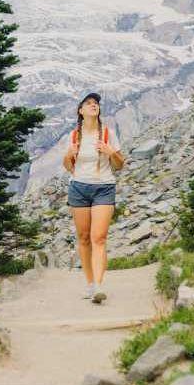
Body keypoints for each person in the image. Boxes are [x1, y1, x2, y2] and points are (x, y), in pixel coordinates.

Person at [62, 92, 126, 304]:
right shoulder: (73, 136)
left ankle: (98, 286)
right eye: (88, 103)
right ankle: (90, 284)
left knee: (98, 238)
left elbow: (119, 165)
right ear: (80, 111)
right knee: (83, 238)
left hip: (104, 188)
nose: (94, 105)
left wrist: (110, 152)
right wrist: (68, 155)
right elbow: (69, 167)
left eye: (96, 103)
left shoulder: (108, 133)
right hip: (79, 188)